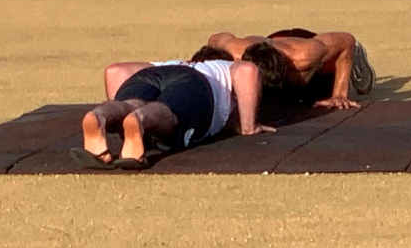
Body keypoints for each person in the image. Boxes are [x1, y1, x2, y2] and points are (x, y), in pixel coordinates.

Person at [74, 56, 275, 170]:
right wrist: (248, 125)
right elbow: (248, 70)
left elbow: (115, 71)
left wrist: (120, 124)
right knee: (169, 111)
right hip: (194, 83)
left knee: (131, 103)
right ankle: (139, 119)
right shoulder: (224, 66)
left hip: (154, 72)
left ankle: (100, 115)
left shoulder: (178, 61)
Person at [205, 29, 375, 109]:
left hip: (303, 43)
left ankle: (355, 56)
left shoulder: (304, 56)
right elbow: (215, 39)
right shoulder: (236, 51)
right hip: (269, 43)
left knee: (312, 93)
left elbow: (346, 40)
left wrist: (339, 94)